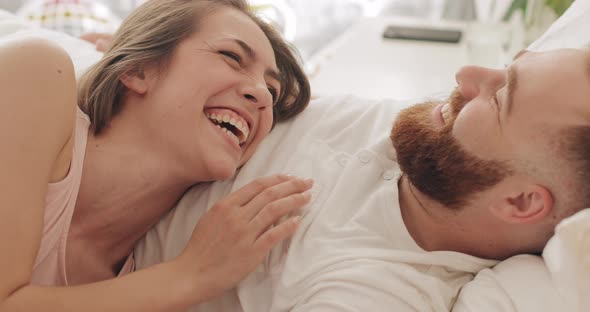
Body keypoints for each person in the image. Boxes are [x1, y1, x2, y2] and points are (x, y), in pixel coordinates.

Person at [133, 47, 590, 311]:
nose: (467, 75)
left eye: (500, 97)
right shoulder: (414, 138)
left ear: (520, 203)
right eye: (505, 65)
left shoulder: (374, 293)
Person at [0, 0, 312, 311]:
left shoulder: (136, 286)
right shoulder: (37, 73)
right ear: (137, 69)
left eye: (272, 91)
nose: (260, 95)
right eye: (231, 56)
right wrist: (192, 275)